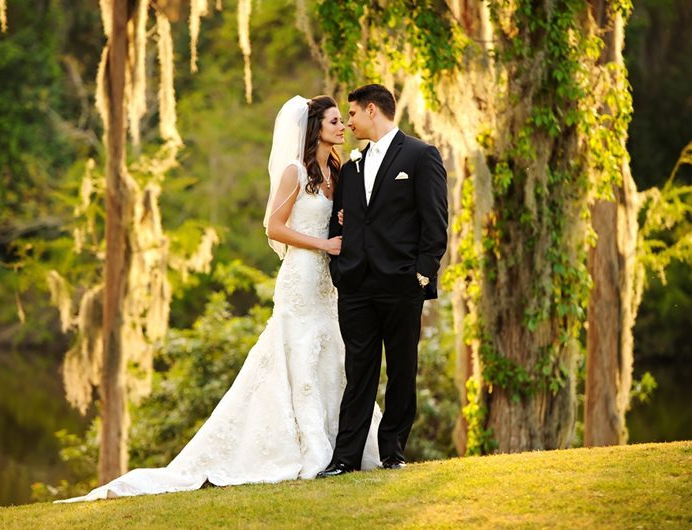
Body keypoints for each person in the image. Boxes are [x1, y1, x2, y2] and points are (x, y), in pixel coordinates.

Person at [57, 96, 381, 503]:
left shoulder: (338, 170)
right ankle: (305, 448)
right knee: (296, 354)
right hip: (300, 279)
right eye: (336, 121)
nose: (342, 127)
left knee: (333, 356)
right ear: (316, 128)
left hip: (328, 285)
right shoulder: (294, 173)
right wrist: (322, 244)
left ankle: (345, 448)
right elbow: (273, 227)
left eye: (342, 121)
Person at [318, 84, 448, 477]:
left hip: (402, 285)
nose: (349, 122)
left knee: (402, 370)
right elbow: (340, 220)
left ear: (372, 110)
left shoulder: (421, 156)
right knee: (358, 373)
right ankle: (345, 459)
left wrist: (420, 277)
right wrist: (342, 274)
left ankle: (393, 453)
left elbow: (436, 223)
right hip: (356, 287)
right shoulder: (352, 167)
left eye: (353, 114)